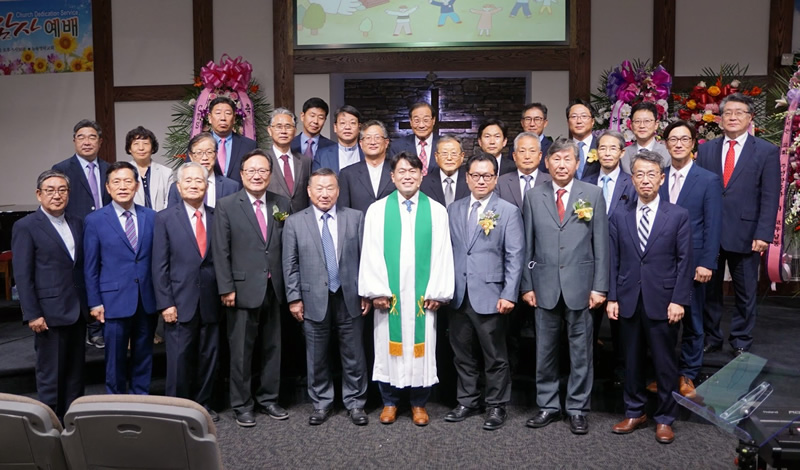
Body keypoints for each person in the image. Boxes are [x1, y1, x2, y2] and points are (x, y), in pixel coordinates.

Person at [359, 152, 454, 427]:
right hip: (391, 297)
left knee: (422, 349)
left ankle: (418, 403)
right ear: (392, 176)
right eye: (402, 171)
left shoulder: (436, 211)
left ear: (422, 176)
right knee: (387, 348)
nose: (408, 176)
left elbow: (443, 254)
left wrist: (437, 292)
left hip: (422, 297)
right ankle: (389, 401)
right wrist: (376, 290)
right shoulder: (378, 210)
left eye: (413, 171)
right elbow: (371, 252)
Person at [520, 138, 608, 435]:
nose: (561, 164)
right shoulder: (533, 196)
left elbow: (601, 244)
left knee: (581, 352)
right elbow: (527, 244)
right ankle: (547, 405)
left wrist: (599, 287)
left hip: (581, 287)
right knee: (544, 351)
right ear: (547, 163)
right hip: (543, 285)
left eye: (567, 159)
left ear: (577, 163)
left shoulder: (593, 194)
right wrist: (527, 285)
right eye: (556, 159)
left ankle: (578, 408)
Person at [607, 150, 693, 444]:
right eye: (640, 174)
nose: (645, 180)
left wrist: (679, 300)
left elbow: (685, 261)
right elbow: (614, 259)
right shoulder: (619, 215)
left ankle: (665, 418)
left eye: (651, 174)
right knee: (630, 361)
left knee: (664, 363)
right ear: (632, 179)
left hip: (664, 301)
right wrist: (613, 297)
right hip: (628, 299)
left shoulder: (678, 215)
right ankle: (634, 411)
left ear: (661, 179)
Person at [282, 168, 371, 426]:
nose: (324, 194)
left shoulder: (355, 217)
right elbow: (290, 264)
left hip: (349, 296)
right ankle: (321, 403)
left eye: (330, 188)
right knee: (316, 356)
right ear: (309, 191)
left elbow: (366, 259)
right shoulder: (295, 222)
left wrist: (366, 292)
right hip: (312, 298)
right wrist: (294, 298)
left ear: (338, 191)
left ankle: (356, 403)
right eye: (319, 188)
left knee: (354, 354)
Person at [696, 93, 780, 355]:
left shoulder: (766, 151)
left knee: (745, 291)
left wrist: (763, 233)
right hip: (710, 232)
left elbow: (770, 196)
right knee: (709, 290)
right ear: (720, 119)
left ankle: (741, 338)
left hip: (746, 233)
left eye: (739, 112)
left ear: (750, 117)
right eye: (727, 113)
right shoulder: (706, 149)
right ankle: (711, 337)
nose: (733, 117)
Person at [212, 149, 292, 427]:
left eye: (262, 171)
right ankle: (242, 404)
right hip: (241, 289)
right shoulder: (227, 205)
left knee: (273, 347)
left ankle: (269, 398)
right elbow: (220, 250)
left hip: (275, 287)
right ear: (242, 174)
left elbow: (287, 246)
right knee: (241, 352)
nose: (257, 176)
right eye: (251, 171)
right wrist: (226, 288)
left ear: (270, 174)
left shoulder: (281, 203)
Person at [445, 153, 523, 431]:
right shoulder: (454, 209)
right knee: (462, 353)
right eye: (475, 175)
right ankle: (467, 400)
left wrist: (509, 293)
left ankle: (496, 405)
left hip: (491, 294)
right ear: (467, 178)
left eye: (487, 175)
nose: (481, 180)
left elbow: (515, 256)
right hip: (458, 294)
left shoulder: (508, 211)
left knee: (495, 356)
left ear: (495, 178)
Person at [12, 170, 87, 420]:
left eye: (62, 190)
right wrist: (32, 313)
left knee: (75, 375)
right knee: (51, 376)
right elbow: (22, 275)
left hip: (77, 310)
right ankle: (49, 427)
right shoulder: (26, 226)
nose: (57, 195)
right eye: (50, 190)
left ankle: (73, 423)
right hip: (48, 314)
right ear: (39, 194)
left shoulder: (77, 222)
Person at [658, 120, 722, 397]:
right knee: (662, 322)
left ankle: (688, 375)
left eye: (685, 139)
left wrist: (707, 262)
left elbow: (713, 225)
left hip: (694, 262)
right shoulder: (657, 176)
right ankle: (665, 375)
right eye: (673, 139)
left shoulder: (708, 180)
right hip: (661, 263)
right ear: (665, 144)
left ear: (693, 143)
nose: (679, 144)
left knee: (693, 321)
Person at [152, 162, 221, 421]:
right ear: (179, 188)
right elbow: (159, 266)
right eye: (188, 181)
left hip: (212, 300)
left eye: (199, 180)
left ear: (206, 186)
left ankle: (204, 405)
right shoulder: (164, 218)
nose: (194, 185)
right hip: (179, 302)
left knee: (209, 356)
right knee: (179, 359)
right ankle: (178, 408)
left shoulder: (217, 216)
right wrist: (165, 303)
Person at [83, 161, 157, 395]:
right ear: (107, 187)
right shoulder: (95, 220)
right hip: (112, 300)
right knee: (114, 358)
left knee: (144, 354)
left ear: (137, 186)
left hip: (146, 298)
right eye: (116, 182)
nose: (122, 186)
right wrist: (94, 302)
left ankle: (140, 397)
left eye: (127, 181)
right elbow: (90, 266)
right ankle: (115, 401)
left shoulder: (152, 217)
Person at [52, 119, 111, 350]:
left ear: (100, 141)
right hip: (76, 232)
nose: (87, 142)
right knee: (83, 279)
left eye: (92, 137)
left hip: (106, 232)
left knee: (104, 277)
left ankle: (102, 326)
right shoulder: (61, 169)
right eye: (81, 137)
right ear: (74, 141)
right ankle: (90, 328)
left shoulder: (109, 168)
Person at [582, 130, 636, 371]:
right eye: (602, 148)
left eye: (612, 148)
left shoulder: (631, 183)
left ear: (622, 152)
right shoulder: (585, 183)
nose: (607, 153)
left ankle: (622, 374)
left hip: (622, 262)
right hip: (589, 262)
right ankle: (588, 375)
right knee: (587, 325)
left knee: (621, 324)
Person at [168, 132, 241, 208]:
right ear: (191, 156)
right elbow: (171, 214)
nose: (205, 158)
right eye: (199, 153)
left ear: (216, 154)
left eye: (209, 152)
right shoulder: (178, 187)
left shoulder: (232, 187)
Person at [339, 120, 396, 213]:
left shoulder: (397, 170)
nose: (373, 142)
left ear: (386, 143)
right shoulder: (347, 174)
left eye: (377, 137)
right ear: (361, 144)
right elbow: (344, 211)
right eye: (368, 138)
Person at [265, 108, 312, 214]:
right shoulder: (262, 160)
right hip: (272, 218)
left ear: (295, 131)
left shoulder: (305, 161)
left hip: (301, 218)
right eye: (278, 126)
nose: (283, 131)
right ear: (269, 130)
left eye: (288, 126)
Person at [208, 96, 258, 184]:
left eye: (228, 113)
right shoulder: (197, 145)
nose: (223, 118)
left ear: (234, 118)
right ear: (210, 118)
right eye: (218, 113)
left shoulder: (249, 146)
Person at [497, 131, 551, 209]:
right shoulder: (501, 182)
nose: (527, 156)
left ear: (540, 156)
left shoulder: (550, 182)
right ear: (514, 156)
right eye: (522, 151)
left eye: (532, 151)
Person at [126, 126, 174, 211]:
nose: (141, 148)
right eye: (136, 144)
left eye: (145, 143)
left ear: (152, 148)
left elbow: (170, 202)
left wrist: (162, 217)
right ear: (129, 149)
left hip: (160, 217)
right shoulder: (123, 172)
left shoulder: (166, 172)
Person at [312, 105, 365, 174]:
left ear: (359, 128)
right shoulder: (322, 155)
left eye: (352, 123)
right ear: (335, 127)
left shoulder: (367, 153)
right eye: (343, 123)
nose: (347, 127)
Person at [419, 135, 469, 207]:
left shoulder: (471, 180)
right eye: (444, 153)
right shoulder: (424, 183)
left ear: (462, 156)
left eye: (454, 153)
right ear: (436, 156)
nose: (449, 158)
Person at [620, 102, 670, 173]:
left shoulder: (668, 153)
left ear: (656, 125)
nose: (642, 126)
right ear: (631, 125)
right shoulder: (622, 154)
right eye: (637, 121)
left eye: (647, 121)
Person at [390, 102, 439, 175]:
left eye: (426, 120)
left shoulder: (445, 145)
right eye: (417, 120)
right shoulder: (397, 147)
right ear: (411, 121)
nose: (421, 125)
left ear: (433, 120)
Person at [566, 99, 600, 181]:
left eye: (584, 116)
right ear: (568, 122)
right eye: (574, 117)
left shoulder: (601, 146)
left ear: (592, 121)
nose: (579, 121)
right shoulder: (562, 148)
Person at [518, 103, 552, 171]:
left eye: (537, 119)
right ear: (522, 123)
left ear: (545, 123)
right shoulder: (515, 147)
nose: (532, 124)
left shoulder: (552, 148)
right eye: (528, 119)